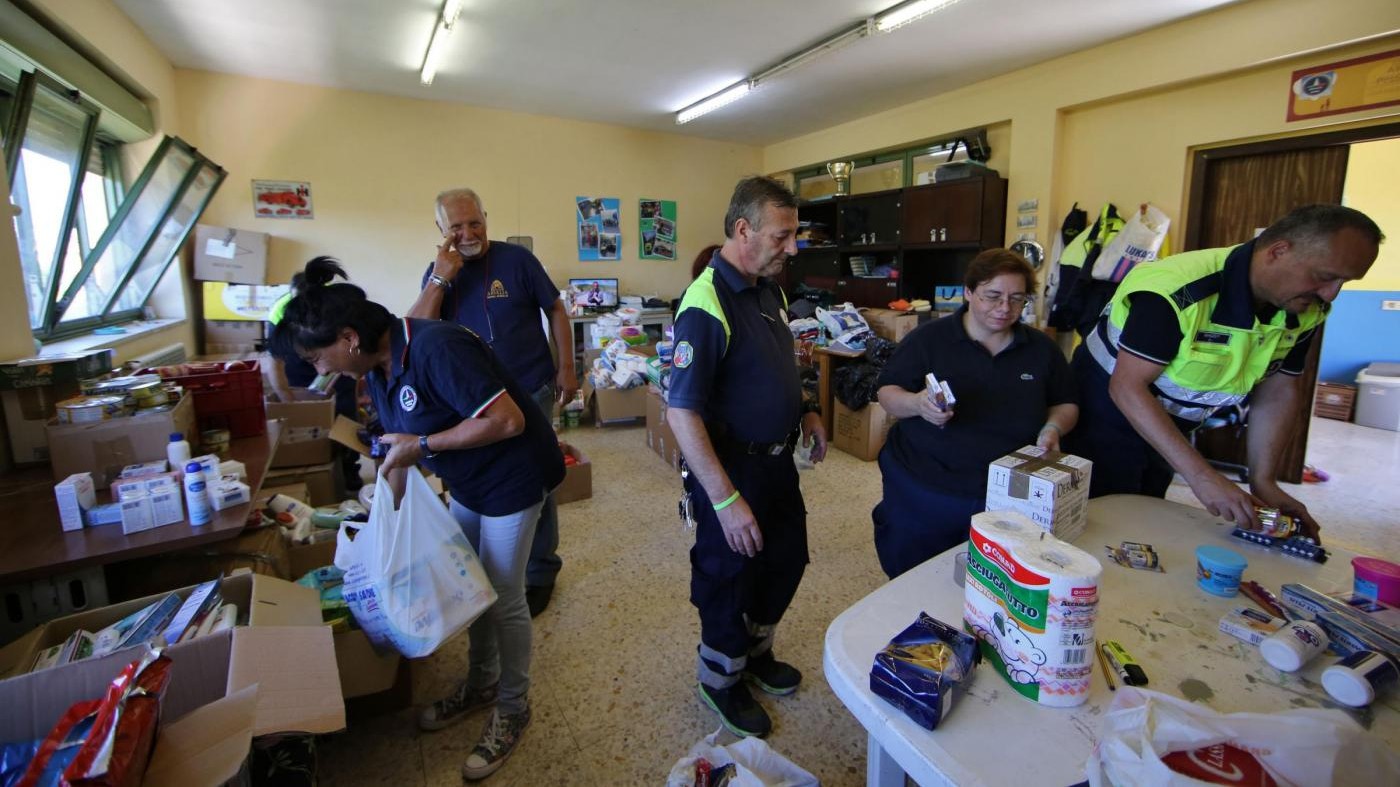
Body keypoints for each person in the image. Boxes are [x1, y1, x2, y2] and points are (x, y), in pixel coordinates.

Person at [271, 257, 563, 781]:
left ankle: (514, 706)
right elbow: (395, 447)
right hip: (470, 478)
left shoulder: (437, 347)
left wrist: (423, 444)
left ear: (349, 337)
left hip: (512, 474)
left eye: (319, 357)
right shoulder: (378, 368)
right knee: (471, 584)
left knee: (502, 593)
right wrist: (386, 519)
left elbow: (507, 419)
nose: (319, 370)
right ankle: (482, 682)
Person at [1065, 204, 1383, 539]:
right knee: (1103, 518)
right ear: (1278, 251)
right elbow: (1127, 388)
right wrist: (1202, 477)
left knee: (1146, 511)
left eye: (1344, 282)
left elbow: (1278, 390)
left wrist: (1263, 479)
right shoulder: (1179, 290)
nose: (1331, 294)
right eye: (1325, 276)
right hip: (1104, 412)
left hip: (1171, 420)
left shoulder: (1305, 309)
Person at [667, 176, 828, 738]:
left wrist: (807, 408)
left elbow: (782, 364)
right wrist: (725, 500)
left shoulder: (769, 290)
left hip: (778, 463)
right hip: (730, 470)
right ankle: (720, 677)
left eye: (794, 235)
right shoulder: (706, 303)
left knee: (784, 559)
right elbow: (681, 413)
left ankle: (755, 654)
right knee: (728, 575)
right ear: (743, 229)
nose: (793, 248)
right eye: (783, 236)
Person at [407, 187, 576, 617]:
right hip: (475, 401)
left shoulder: (517, 260)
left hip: (532, 387)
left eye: (475, 222)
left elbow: (556, 309)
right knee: (484, 477)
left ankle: (541, 569)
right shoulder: (438, 271)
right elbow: (415, 332)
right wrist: (442, 276)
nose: (468, 233)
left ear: (486, 217)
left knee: (536, 478)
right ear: (441, 231)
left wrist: (567, 368)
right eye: (456, 227)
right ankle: (491, 562)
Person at [872, 249, 1079, 578]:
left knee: (994, 578)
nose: (1004, 308)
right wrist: (918, 405)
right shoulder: (929, 340)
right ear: (968, 293)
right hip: (925, 481)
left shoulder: (1042, 349)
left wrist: (1053, 427)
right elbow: (887, 393)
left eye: (1016, 299)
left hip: (1007, 491)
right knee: (914, 572)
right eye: (992, 296)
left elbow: (1065, 402)